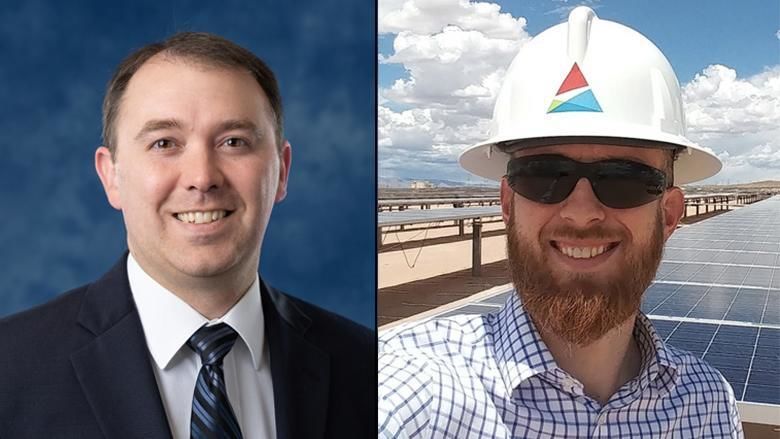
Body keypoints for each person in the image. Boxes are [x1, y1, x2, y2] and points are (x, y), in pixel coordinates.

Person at [378, 7, 742, 438]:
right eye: (545, 176)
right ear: (508, 203)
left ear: (669, 214)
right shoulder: (407, 388)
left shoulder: (706, 407)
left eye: (625, 180)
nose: (580, 210)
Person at [0, 32, 373, 438]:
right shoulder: (11, 370)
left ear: (281, 171)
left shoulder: (364, 365)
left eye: (234, 141)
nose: (202, 177)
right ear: (111, 176)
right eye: (164, 143)